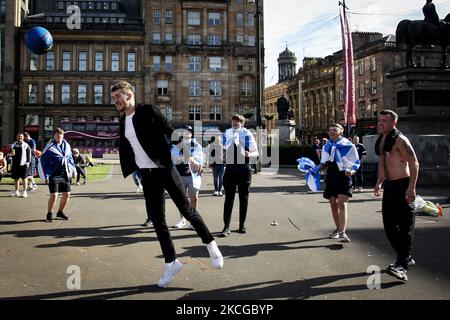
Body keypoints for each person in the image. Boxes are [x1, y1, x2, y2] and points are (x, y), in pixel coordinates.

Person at [111, 81, 223, 288]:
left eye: (118, 95)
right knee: (157, 220)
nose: (115, 100)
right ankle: (171, 262)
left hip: (164, 168)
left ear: (129, 94)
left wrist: (189, 157)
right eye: (114, 97)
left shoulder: (148, 111)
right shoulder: (122, 121)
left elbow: (171, 132)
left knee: (187, 210)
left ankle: (211, 244)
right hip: (147, 175)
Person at [374, 110, 419, 282]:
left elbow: (414, 162)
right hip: (390, 187)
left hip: (403, 185)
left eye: (384, 120)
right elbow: (382, 163)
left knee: (405, 227)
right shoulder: (382, 140)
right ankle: (405, 257)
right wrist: (379, 182)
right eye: (379, 120)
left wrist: (411, 187)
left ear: (394, 123)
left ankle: (402, 266)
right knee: (389, 226)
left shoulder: (400, 139)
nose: (380, 123)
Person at [319, 124, 360, 243]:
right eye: (330, 130)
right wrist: (315, 168)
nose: (331, 132)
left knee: (342, 203)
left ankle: (343, 232)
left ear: (341, 132)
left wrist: (352, 170)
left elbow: (356, 161)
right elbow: (324, 162)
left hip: (344, 175)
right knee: (333, 203)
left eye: (334, 130)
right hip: (332, 175)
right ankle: (338, 228)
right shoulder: (327, 146)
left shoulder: (349, 145)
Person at [220, 114, 259, 237]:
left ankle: (242, 224)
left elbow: (256, 152)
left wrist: (249, 154)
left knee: (244, 198)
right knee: (229, 199)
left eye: (237, 121)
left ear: (242, 123)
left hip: (244, 169)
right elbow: (222, 151)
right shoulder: (227, 134)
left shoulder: (247, 134)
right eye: (233, 121)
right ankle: (226, 227)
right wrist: (223, 156)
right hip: (230, 168)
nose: (234, 123)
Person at [38, 128, 76, 222]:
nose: (59, 136)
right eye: (57, 134)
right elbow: (42, 160)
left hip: (64, 174)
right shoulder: (50, 146)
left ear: (63, 136)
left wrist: (73, 170)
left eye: (60, 134)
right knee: (54, 195)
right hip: (53, 174)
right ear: (54, 136)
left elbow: (70, 158)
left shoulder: (66, 145)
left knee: (67, 194)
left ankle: (60, 212)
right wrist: (45, 175)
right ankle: (49, 214)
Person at [171, 125, 203, 229]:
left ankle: (193, 220)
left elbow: (199, 159)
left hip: (193, 176)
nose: (187, 133)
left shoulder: (196, 145)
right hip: (180, 176)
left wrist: (188, 158)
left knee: (194, 198)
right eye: (185, 131)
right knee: (181, 199)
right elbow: (174, 158)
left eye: (189, 131)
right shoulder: (176, 145)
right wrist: (186, 158)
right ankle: (182, 220)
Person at [9, 133, 31, 198]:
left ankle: (24, 192)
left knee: (24, 178)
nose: (20, 138)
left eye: (21, 136)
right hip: (15, 165)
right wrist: (10, 155)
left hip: (24, 164)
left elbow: (28, 154)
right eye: (19, 136)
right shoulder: (13, 145)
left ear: (23, 137)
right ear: (16, 137)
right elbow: (11, 154)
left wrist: (28, 162)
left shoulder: (26, 145)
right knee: (16, 178)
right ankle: (17, 191)